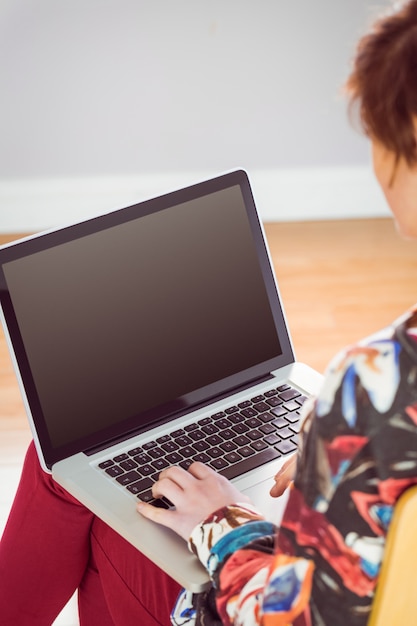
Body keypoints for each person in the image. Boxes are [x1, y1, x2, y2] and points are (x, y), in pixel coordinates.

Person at [1, 1, 417, 624]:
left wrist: (222, 517)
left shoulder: (377, 388)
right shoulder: (376, 398)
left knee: (81, 479)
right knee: (100, 481)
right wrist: (337, 441)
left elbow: (291, 618)